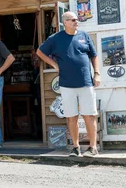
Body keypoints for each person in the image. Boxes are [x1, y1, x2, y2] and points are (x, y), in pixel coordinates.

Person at [36, 11, 100, 158]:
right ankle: (76, 147)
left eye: (77, 19)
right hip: (66, 84)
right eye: (73, 20)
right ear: (65, 22)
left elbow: (94, 55)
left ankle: (93, 147)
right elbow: (40, 52)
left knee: (89, 115)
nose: (76, 22)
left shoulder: (84, 36)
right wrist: (54, 64)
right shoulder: (56, 38)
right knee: (71, 117)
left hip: (86, 82)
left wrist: (97, 73)